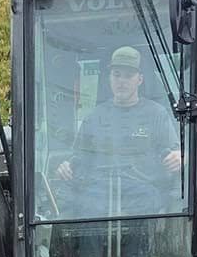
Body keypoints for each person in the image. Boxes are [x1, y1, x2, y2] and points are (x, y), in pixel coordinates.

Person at [55, 44, 182, 217]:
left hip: (142, 192)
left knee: (150, 202)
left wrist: (180, 156)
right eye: (117, 75)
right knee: (81, 205)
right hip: (99, 193)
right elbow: (79, 159)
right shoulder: (94, 117)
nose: (122, 81)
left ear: (140, 79)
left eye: (129, 75)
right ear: (109, 78)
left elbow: (176, 153)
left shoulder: (156, 114)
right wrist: (67, 166)